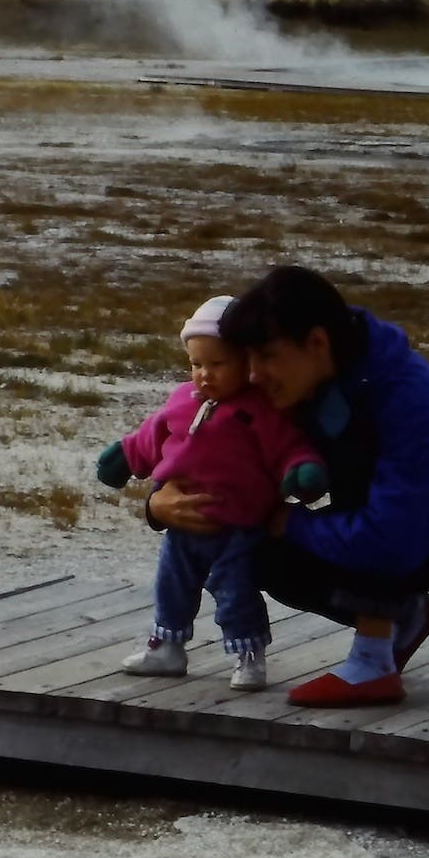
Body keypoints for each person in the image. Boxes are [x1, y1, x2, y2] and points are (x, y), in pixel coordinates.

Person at [144, 266, 429, 707]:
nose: (253, 375)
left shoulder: (413, 403)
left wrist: (291, 522)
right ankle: (402, 618)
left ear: (316, 342)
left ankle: (373, 663)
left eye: (267, 356)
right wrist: (158, 504)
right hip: (396, 512)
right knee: (257, 551)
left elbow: (391, 539)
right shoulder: (313, 374)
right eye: (248, 359)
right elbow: (222, 457)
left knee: (361, 509)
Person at [97, 296, 327, 691]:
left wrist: (302, 473)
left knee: (235, 591)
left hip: (237, 527)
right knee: (171, 586)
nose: (204, 375)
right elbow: (151, 437)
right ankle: (167, 645)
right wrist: (123, 457)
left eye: (217, 364)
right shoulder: (182, 401)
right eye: (196, 364)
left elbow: (288, 447)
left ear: (245, 362)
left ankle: (247, 654)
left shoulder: (259, 411)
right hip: (182, 526)